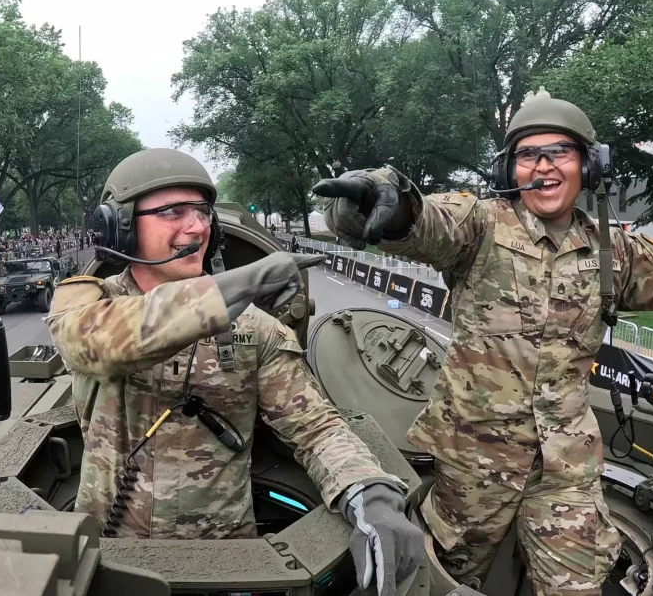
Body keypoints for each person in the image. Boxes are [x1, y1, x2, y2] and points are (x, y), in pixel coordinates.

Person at [310, 89, 653, 596]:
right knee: (441, 581)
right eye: (528, 155)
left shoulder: (614, 251)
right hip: (473, 466)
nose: (543, 166)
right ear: (510, 170)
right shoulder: (480, 224)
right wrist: (377, 204)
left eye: (559, 152)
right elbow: (421, 224)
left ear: (589, 166)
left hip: (565, 471)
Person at [47, 148, 423, 596]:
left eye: (204, 212)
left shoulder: (254, 329)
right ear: (122, 227)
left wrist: (369, 492)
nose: (197, 226)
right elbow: (92, 340)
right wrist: (243, 283)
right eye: (172, 212)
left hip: (228, 567)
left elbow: (317, 428)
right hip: (110, 562)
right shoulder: (86, 300)